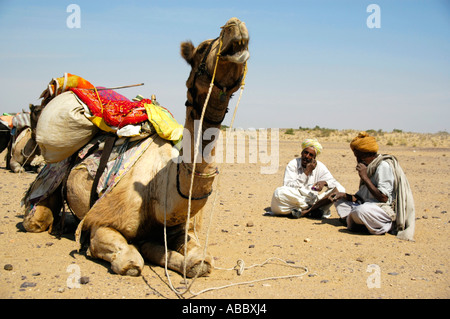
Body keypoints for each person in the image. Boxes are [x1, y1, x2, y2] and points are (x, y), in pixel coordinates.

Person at [330, 131, 415, 240]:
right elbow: (360, 198)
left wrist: (364, 177)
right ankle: (358, 221)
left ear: (368, 154)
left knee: (361, 210)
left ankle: (384, 226)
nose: (358, 161)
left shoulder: (382, 166)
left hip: (381, 210)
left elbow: (383, 198)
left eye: (359, 157)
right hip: (366, 205)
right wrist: (342, 195)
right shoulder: (369, 167)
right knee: (339, 201)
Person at [270, 138, 345, 219]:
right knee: (279, 192)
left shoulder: (320, 166)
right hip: (296, 199)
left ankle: (306, 211)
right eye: (305, 153)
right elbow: (287, 187)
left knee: (341, 189)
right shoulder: (293, 164)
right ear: (301, 153)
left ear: (314, 158)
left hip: (314, 200)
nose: (307, 156)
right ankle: (312, 210)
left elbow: (334, 183)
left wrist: (325, 182)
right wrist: (306, 172)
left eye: (311, 155)